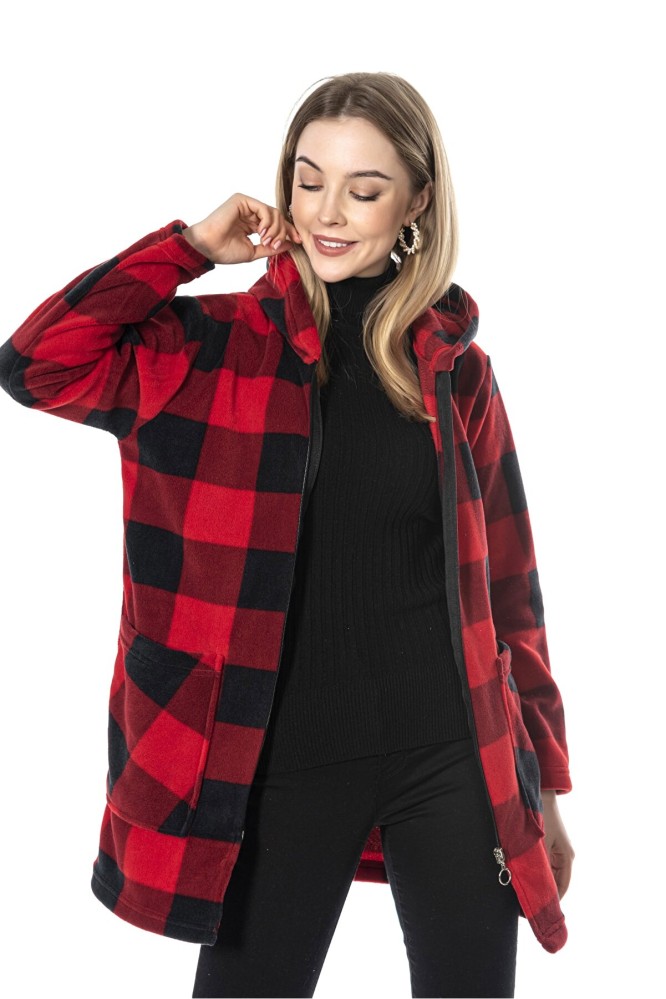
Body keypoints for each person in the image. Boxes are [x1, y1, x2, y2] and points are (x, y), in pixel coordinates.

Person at [0, 72, 574, 998]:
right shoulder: (207, 348)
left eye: (364, 189)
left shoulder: (455, 371)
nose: (327, 212)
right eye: (309, 181)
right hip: (277, 763)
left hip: (454, 761)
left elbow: (511, 589)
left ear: (417, 202)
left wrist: (541, 788)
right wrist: (189, 248)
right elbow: (36, 365)